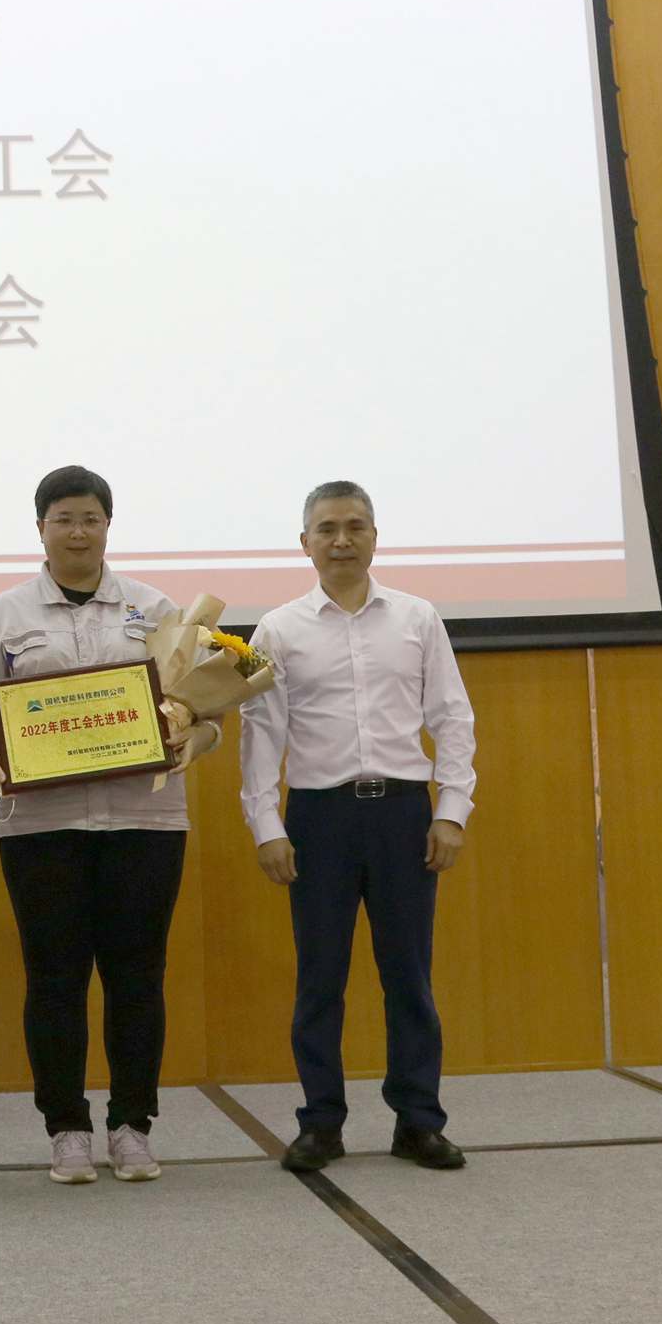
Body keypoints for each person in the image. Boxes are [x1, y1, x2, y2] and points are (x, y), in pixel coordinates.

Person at [0, 465, 198, 1185]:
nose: (78, 532)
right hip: (40, 826)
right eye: (63, 518)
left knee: (138, 976)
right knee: (54, 979)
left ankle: (132, 1127)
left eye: (91, 518)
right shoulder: (1, 617)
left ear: (107, 526)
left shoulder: (157, 610)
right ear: (41, 528)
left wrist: (195, 736)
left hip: (145, 821)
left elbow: (202, 707)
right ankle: (66, 1128)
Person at [240, 480, 479, 1173]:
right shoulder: (276, 630)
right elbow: (261, 733)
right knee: (320, 978)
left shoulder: (417, 618)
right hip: (319, 818)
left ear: (375, 536)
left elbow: (452, 718)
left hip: (404, 813)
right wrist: (266, 823)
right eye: (327, 529)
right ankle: (321, 1122)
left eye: (355, 527)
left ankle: (418, 1120)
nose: (341, 541)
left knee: (409, 976)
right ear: (305, 542)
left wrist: (451, 811)